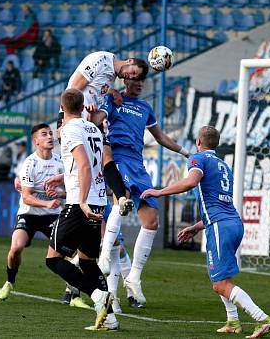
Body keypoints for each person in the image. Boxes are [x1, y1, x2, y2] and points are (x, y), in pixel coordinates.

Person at [140, 126, 270, 338]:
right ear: (217, 143)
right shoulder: (224, 166)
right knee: (223, 278)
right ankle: (233, 321)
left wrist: (159, 191)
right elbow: (218, 204)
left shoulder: (198, 159)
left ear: (198, 142)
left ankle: (263, 319)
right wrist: (196, 227)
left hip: (220, 226)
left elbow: (191, 181)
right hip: (232, 223)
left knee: (220, 284)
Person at [89, 61, 190, 307]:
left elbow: (160, 136)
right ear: (125, 80)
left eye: (142, 81)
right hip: (117, 157)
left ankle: (133, 277)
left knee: (151, 220)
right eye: (134, 80)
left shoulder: (145, 107)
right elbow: (98, 119)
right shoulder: (113, 100)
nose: (138, 84)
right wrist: (93, 112)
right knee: (120, 198)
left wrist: (185, 152)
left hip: (138, 163)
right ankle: (103, 258)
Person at [45, 88, 117, 331]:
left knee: (53, 260)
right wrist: (61, 177)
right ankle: (110, 318)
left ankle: (97, 296)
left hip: (80, 203)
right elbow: (89, 165)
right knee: (87, 261)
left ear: (62, 107)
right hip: (97, 201)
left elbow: (85, 166)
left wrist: (82, 201)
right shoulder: (93, 129)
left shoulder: (69, 130)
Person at [60, 51, 145, 217]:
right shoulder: (100, 60)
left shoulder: (111, 76)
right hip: (74, 121)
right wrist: (63, 118)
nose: (130, 76)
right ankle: (77, 206)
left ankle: (121, 199)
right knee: (82, 167)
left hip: (91, 122)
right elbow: (73, 89)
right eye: (133, 72)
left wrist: (112, 92)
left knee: (106, 157)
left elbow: (96, 89)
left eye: (134, 77)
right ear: (129, 61)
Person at [0, 124, 64, 300]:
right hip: (29, 213)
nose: (50, 137)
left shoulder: (60, 162)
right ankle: (10, 281)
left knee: (70, 251)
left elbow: (72, 190)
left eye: (50, 133)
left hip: (53, 215)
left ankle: (72, 294)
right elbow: (26, 197)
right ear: (36, 141)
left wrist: (59, 194)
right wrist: (47, 203)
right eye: (44, 134)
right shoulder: (29, 163)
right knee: (16, 248)